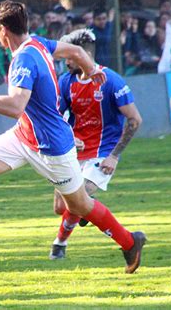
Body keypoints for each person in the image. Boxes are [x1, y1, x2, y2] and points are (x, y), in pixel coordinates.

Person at [0, 0, 146, 274]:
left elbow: (15, 106)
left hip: (51, 147)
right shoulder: (38, 43)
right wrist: (92, 69)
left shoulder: (25, 59)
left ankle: (129, 241)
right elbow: (75, 50)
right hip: (23, 136)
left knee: (80, 205)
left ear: (3, 29)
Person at [49, 28, 143, 260]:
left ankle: (59, 244)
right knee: (61, 207)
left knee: (77, 198)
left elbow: (134, 120)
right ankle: (83, 213)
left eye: (68, 57)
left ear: (82, 54)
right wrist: (69, 136)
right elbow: (57, 117)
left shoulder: (111, 80)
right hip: (73, 152)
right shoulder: (66, 81)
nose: (65, 61)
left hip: (102, 153)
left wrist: (114, 155)